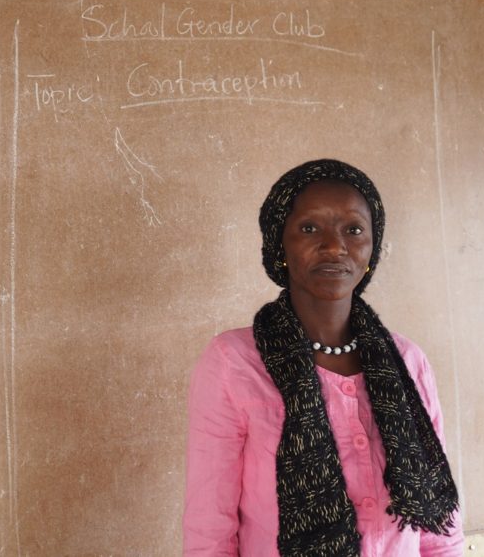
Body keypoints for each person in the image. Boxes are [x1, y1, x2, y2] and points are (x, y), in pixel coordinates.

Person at [183, 159, 463, 556]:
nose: (335, 246)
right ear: (279, 243)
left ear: (372, 248)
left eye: (353, 229)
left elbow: (441, 530)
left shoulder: (408, 362)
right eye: (309, 228)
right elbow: (209, 531)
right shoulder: (232, 363)